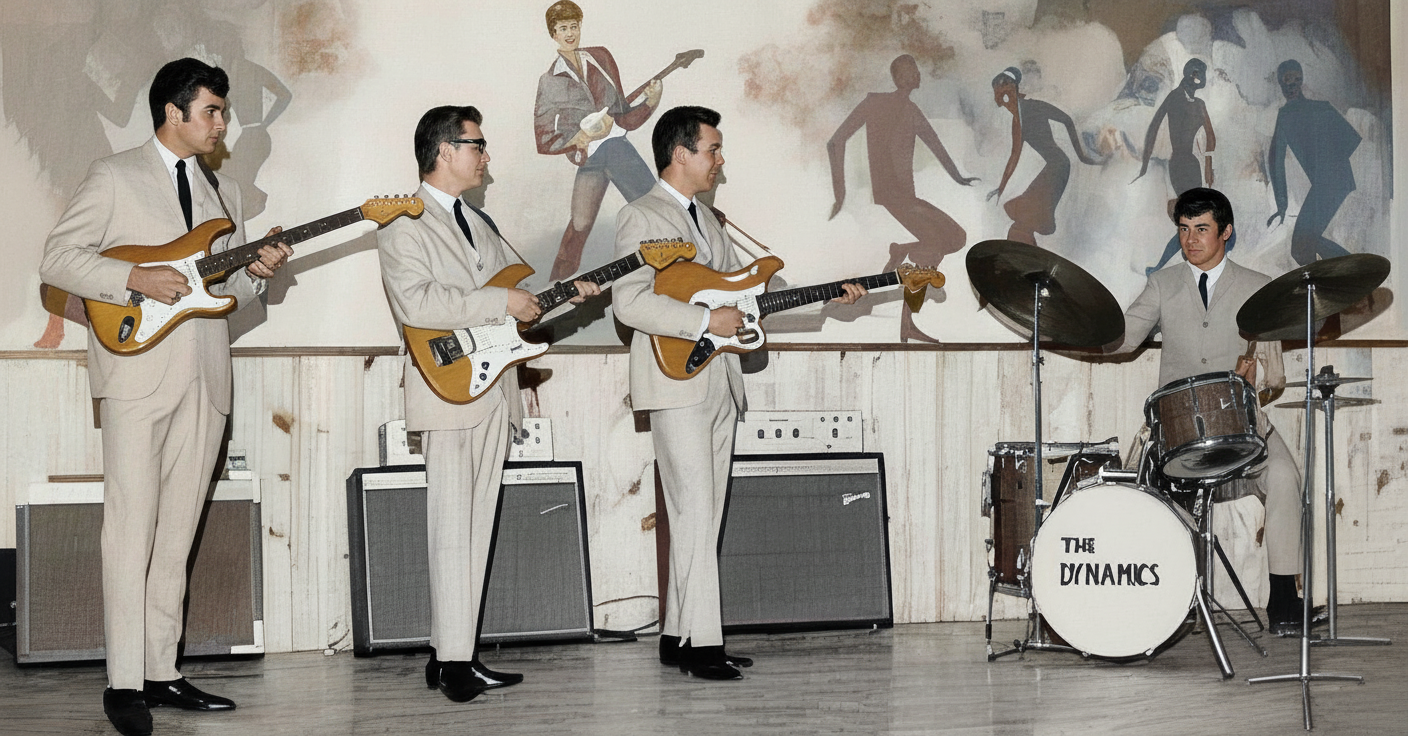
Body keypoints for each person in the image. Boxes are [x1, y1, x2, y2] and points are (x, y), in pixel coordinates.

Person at [38, 58, 291, 736]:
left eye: (223, 111)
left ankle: (160, 670)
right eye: (212, 110)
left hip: (205, 380)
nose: (222, 123)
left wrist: (259, 271)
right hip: (135, 376)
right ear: (172, 113)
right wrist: (135, 278)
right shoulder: (113, 175)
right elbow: (57, 259)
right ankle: (123, 682)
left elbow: (228, 296)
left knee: (178, 535)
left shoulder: (225, 193)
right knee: (130, 531)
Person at [613, 106, 866, 680]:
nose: (720, 160)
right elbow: (629, 303)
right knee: (695, 512)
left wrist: (826, 297)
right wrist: (706, 322)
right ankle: (704, 645)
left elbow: (746, 298)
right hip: (675, 382)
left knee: (702, 514)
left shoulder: (709, 220)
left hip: (721, 380)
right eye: (713, 149)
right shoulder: (640, 215)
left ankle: (677, 636)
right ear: (681, 153)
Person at [377, 105, 599, 703]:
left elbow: (517, 306)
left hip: (493, 387)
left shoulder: (481, 222)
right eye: (476, 145)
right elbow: (418, 304)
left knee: (475, 529)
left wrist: (565, 297)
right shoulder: (403, 222)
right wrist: (502, 302)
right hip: (446, 389)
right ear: (444, 150)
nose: (485, 155)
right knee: (452, 529)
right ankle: (455, 663)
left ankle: (451, 653)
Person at [1113, 187, 1309, 633]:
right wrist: (1077, 322)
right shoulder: (1162, 284)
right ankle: (1158, 604)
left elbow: (1275, 375)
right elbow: (1123, 339)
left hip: (1241, 423)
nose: (1190, 240)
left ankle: (1283, 601)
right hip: (1178, 428)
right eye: (1184, 229)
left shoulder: (1257, 287)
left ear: (1226, 232)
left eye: (1201, 229)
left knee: (1284, 476)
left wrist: (1254, 379)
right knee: (1139, 496)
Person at [827, 54, 979, 343]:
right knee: (939, 245)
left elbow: (935, 144)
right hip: (894, 196)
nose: (918, 75)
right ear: (899, 77)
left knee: (954, 238)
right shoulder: (875, 103)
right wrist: (840, 192)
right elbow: (836, 141)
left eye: (917, 70)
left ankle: (903, 252)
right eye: (912, 71)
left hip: (905, 197)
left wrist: (959, 177)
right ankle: (908, 320)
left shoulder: (911, 110)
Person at [533, 0, 663, 281]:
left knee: (654, 212)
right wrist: (579, 137)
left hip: (617, 150)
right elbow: (543, 139)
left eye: (574, 26)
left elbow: (623, 114)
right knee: (579, 226)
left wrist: (650, 103)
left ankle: (680, 274)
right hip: (589, 158)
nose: (570, 33)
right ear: (553, 34)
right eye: (563, 28)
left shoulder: (601, 58)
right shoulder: (550, 80)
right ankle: (554, 288)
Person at [987, 66, 1098, 247]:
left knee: (1025, 218)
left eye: (1002, 92)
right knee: (1025, 220)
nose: (1000, 99)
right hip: (1053, 167)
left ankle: (1023, 253)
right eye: (997, 94)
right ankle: (1024, 254)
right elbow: (1014, 156)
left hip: (1058, 167)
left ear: (1012, 88)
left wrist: (1082, 156)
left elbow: (1067, 119)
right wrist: (1001, 186)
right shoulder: (1017, 121)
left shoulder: (1033, 106)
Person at [1134, 59, 1225, 275]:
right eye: (1195, 72)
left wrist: (1208, 165)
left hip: (1192, 165)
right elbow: (1154, 127)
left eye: (1202, 73)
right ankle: (1162, 267)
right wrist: (1144, 164)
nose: (1199, 77)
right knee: (1192, 222)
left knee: (1193, 223)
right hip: (1179, 164)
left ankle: (1166, 267)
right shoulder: (1175, 97)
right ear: (1186, 73)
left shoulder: (1199, 104)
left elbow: (1211, 137)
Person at [1266, 59, 1360, 266]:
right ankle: (1348, 268)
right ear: (1281, 83)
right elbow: (1351, 140)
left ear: (1301, 81)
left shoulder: (1291, 114)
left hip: (1329, 183)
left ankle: (1352, 269)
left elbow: (1275, 161)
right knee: (1304, 245)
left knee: (1301, 246)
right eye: (1287, 80)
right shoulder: (1319, 108)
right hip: (1334, 182)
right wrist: (1282, 204)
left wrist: (1327, 164)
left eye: (1296, 80)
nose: (1292, 85)